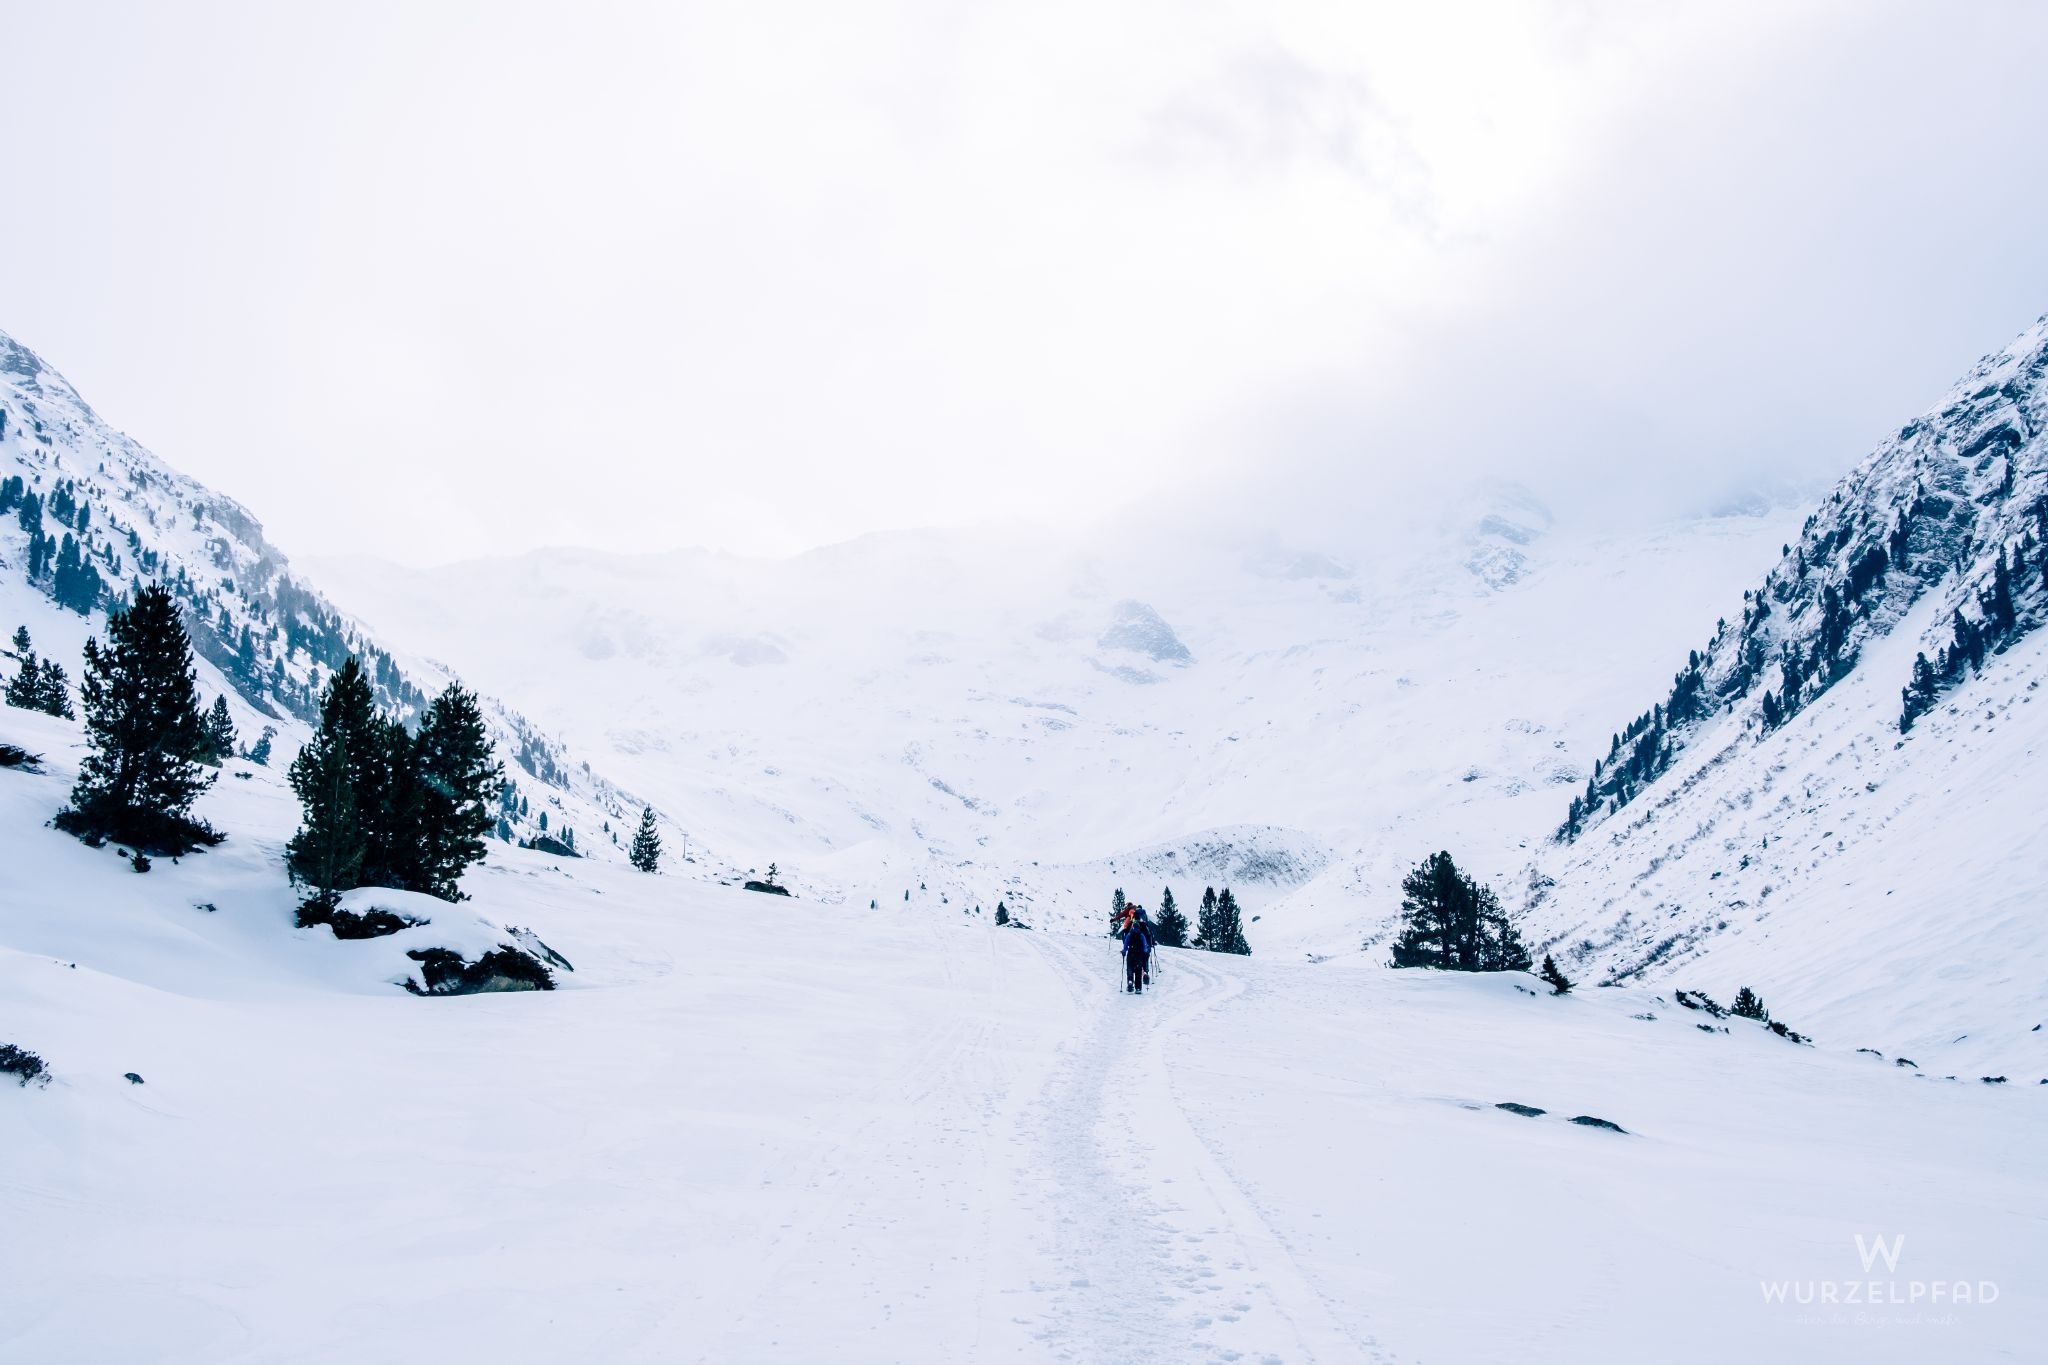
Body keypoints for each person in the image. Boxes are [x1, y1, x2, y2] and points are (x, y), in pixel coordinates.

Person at [1121, 904, 1152, 994]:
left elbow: (1125, 943)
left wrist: (1124, 951)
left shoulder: (1130, 934)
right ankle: (1139, 987)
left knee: (1130, 967)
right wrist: (1146, 951)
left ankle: (1130, 982)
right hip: (1139, 953)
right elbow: (1145, 944)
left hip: (1131, 952)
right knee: (1138, 970)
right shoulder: (1142, 933)